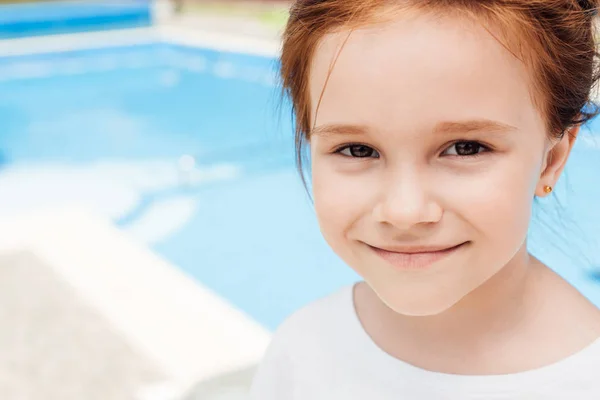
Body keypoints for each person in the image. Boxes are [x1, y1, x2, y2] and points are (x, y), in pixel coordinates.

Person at [250, 0, 600, 398]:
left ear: (551, 160)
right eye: (358, 150)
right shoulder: (301, 351)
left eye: (466, 148)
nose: (405, 212)